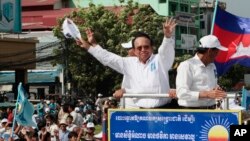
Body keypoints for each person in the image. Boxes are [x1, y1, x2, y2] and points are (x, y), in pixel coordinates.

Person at [76, 17, 177, 108]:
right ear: (134, 50)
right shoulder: (129, 63)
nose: (143, 50)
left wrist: (167, 37)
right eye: (139, 48)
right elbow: (108, 58)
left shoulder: (160, 60)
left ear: (152, 48)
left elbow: (166, 51)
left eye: (146, 47)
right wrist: (88, 46)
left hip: (163, 111)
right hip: (140, 113)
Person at [176, 35, 227, 109]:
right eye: (217, 52)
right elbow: (181, 93)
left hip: (210, 110)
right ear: (209, 51)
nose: (218, 55)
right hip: (191, 113)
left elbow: (211, 88)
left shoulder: (212, 66)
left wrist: (216, 90)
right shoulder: (187, 65)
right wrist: (207, 94)